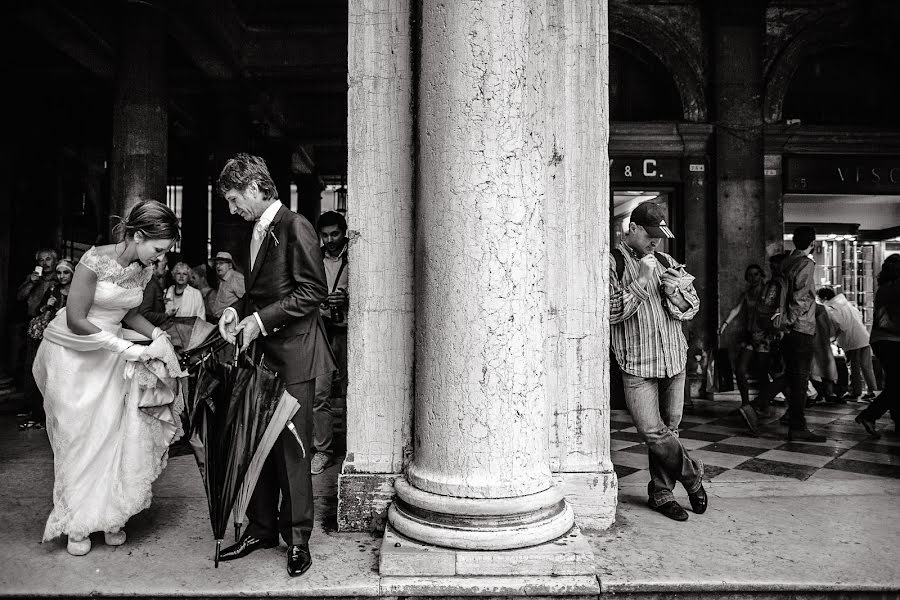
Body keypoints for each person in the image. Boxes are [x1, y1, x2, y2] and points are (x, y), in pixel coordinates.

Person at [32, 200, 183, 556]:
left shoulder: (143, 270)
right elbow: (75, 318)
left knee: (112, 436)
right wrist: (125, 349)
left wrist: (157, 337)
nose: (160, 258)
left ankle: (110, 514)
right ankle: (77, 524)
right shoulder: (94, 259)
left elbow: (128, 313)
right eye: (158, 249)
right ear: (137, 235)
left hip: (112, 356)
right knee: (79, 440)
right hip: (74, 355)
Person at [216, 153, 335, 577]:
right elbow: (263, 292)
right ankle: (261, 529)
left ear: (253, 187)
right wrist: (237, 310)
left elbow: (312, 291)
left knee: (292, 451)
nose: (232, 210)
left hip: (295, 358)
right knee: (257, 448)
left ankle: (298, 539)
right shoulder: (258, 230)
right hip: (264, 357)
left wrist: (260, 320)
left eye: (233, 199)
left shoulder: (295, 225)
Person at [610, 201, 706, 522]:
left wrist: (674, 295)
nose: (656, 242)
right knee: (653, 431)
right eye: (650, 235)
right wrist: (641, 281)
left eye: (660, 236)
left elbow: (691, 306)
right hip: (638, 364)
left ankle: (662, 492)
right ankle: (692, 477)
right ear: (632, 228)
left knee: (671, 430)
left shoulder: (667, 260)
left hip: (674, 361)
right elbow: (609, 312)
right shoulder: (614, 262)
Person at [778, 226, 827, 442]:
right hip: (800, 326)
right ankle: (798, 426)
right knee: (799, 377)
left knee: (792, 375)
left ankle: (787, 416)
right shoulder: (806, 263)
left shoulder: (785, 262)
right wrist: (789, 321)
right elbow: (799, 298)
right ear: (813, 243)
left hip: (789, 329)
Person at [311, 211, 349, 476]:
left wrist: (348, 297)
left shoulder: (356, 256)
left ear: (344, 231)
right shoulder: (315, 258)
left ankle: (352, 447)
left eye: (335, 233)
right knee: (319, 393)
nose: (330, 239)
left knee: (352, 392)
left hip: (350, 331)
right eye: (325, 235)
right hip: (323, 329)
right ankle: (322, 450)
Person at [20, 259, 75, 430]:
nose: (61, 276)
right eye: (59, 273)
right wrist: (46, 306)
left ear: (73, 274)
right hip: (51, 338)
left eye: (66, 272)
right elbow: (37, 311)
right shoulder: (54, 289)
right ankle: (41, 416)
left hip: (70, 339)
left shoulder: (78, 292)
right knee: (48, 376)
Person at [855, 255, 900, 438]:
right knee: (897, 384)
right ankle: (870, 415)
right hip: (894, 340)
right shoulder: (897, 286)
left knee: (894, 382)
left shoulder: (883, 288)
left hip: (879, 339)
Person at [719, 264, 768, 430]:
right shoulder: (747, 294)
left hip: (765, 337)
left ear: (762, 275)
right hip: (750, 336)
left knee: (763, 372)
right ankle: (745, 404)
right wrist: (725, 324)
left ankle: (763, 405)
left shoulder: (768, 292)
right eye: (750, 275)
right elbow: (736, 309)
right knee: (740, 369)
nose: (753, 278)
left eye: (756, 274)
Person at [817, 287, 878, 401]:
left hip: (852, 340)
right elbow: (859, 316)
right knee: (866, 366)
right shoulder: (845, 303)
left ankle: (855, 392)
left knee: (853, 367)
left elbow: (841, 325)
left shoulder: (832, 308)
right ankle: (872, 391)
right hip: (863, 337)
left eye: (819, 299)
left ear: (824, 298)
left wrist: (833, 337)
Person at [210, 251, 245, 319]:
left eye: (221, 263)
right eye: (216, 264)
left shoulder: (236, 278)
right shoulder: (223, 279)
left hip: (231, 321)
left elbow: (246, 301)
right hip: (221, 321)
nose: (217, 266)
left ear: (230, 265)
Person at [138, 252, 170, 327]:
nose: (167, 268)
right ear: (154, 266)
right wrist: (167, 315)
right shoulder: (151, 284)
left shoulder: (153, 282)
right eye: (164, 265)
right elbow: (144, 314)